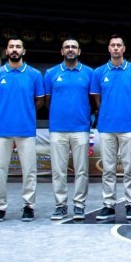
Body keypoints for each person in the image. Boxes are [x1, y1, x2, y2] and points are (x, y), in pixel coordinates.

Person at [0, 38, 45, 222]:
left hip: (26, 129)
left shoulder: (34, 74)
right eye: (11, 47)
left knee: (29, 170)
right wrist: (5, 112)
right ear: (6, 50)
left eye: (18, 47)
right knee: (0, 170)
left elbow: (39, 100)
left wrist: (25, 112)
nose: (14, 50)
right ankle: (0, 207)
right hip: (2, 130)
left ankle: (28, 206)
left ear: (23, 51)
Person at [91, 34, 131, 221]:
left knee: (130, 168)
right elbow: (97, 99)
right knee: (108, 169)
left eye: (119, 45)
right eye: (112, 45)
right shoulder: (99, 72)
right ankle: (108, 205)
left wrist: (129, 112)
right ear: (109, 49)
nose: (115, 48)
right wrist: (105, 110)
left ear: (124, 49)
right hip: (106, 126)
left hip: (128, 126)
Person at [44, 37, 94, 221]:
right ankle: (60, 205)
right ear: (62, 51)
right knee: (58, 170)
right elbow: (48, 101)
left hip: (81, 128)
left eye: (74, 47)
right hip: (57, 128)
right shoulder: (51, 73)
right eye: (67, 47)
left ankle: (79, 205)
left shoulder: (89, 73)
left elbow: (93, 100)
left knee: (81, 170)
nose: (70, 49)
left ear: (79, 51)